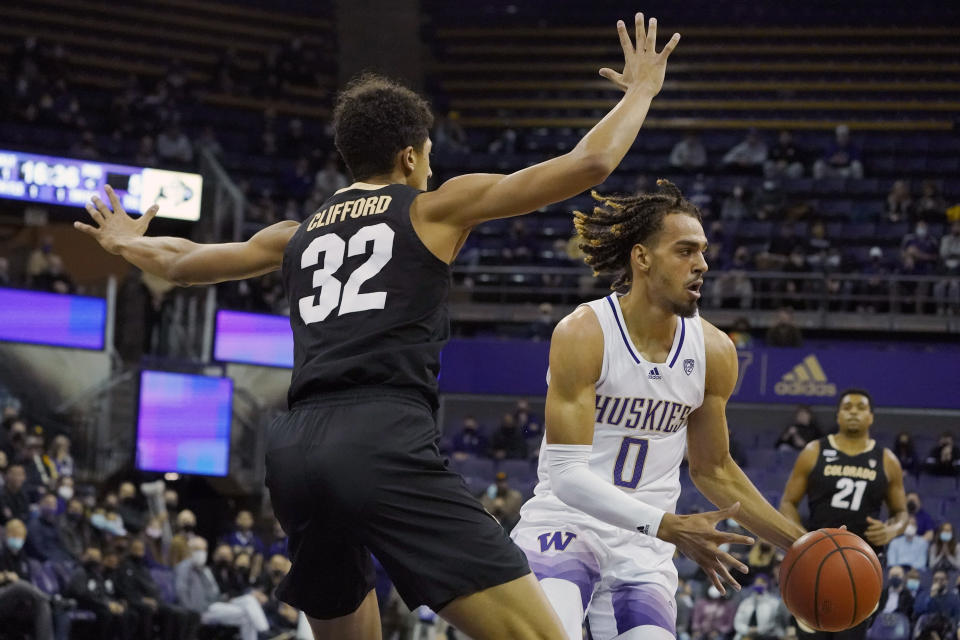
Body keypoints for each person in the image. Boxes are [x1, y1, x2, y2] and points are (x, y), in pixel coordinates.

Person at [78, 15, 681, 640]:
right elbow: (589, 164)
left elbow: (181, 263)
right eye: (429, 158)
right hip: (381, 436)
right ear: (411, 154)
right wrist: (640, 90)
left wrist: (126, 242)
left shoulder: (297, 231)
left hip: (294, 451)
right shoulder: (432, 207)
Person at [510, 179, 808, 640]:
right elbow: (567, 476)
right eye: (685, 251)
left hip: (645, 547)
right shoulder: (584, 333)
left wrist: (800, 543)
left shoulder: (714, 351)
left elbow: (714, 470)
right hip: (568, 524)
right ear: (642, 258)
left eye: (704, 252)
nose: (702, 265)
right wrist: (669, 525)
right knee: (553, 630)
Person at [780, 388, 909, 639]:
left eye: (860, 408)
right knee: (810, 634)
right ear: (838, 415)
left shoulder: (887, 459)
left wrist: (891, 529)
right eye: (847, 407)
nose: (853, 412)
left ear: (871, 417)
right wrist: (801, 539)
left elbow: (901, 512)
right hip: (814, 561)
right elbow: (788, 502)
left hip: (861, 565)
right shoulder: (814, 451)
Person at [174, 536, 269, 640]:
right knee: (247, 614)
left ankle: (264, 631)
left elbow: (214, 592)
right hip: (200, 611)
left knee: (248, 608)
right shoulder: (184, 567)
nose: (201, 553)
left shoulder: (203, 569)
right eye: (197, 549)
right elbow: (181, 591)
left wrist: (224, 598)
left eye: (204, 549)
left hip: (214, 604)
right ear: (190, 550)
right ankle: (266, 632)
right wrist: (192, 612)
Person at [115, 537, 200, 640]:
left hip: (156, 601)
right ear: (130, 549)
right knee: (161, 611)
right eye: (136, 549)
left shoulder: (143, 568)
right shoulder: (125, 568)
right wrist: (142, 599)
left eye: (141, 549)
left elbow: (153, 589)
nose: (139, 552)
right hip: (137, 602)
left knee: (192, 614)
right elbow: (126, 591)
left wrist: (156, 600)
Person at [0, 519, 55, 640]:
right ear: (6, 535)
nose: (17, 539)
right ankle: (52, 600)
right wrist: (5, 576)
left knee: (42, 605)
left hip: (18, 600)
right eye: (14, 535)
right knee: (20, 586)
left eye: (20, 536)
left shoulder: (23, 558)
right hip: (3, 595)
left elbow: (27, 581)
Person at [67, 546, 137, 640]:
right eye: (92, 557)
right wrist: (106, 605)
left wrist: (113, 603)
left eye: (96, 558)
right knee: (106, 614)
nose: (94, 561)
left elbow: (102, 593)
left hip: (97, 604)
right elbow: (81, 594)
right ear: (85, 557)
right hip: (83, 604)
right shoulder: (80, 572)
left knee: (124, 613)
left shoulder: (96, 574)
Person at [732, 575, 787, 640]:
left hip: (766, 636)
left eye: (762, 582)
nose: (759, 584)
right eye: (757, 582)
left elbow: (774, 623)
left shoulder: (774, 602)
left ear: (767, 584)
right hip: (745, 635)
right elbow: (738, 621)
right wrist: (747, 630)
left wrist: (758, 630)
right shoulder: (746, 602)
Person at [25, 493, 73, 563]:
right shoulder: (33, 524)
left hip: (60, 559)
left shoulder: (56, 524)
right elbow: (38, 550)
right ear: (40, 504)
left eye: (54, 504)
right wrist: (57, 561)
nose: (51, 506)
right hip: (45, 562)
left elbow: (62, 545)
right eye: (48, 503)